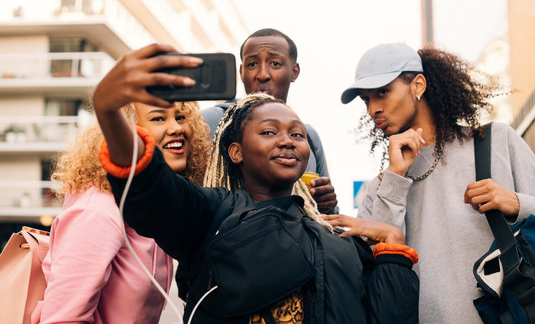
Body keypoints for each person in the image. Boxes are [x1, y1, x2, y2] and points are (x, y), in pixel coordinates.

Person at [92, 43, 420, 324]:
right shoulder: (212, 216)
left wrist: (392, 245)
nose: (287, 141)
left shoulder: (338, 240)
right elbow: (153, 190)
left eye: (297, 134)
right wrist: (107, 109)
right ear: (236, 151)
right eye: (268, 132)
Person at [340, 42, 535, 324]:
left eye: (383, 92)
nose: (373, 109)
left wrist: (517, 204)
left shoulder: (494, 142)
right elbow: (382, 280)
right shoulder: (379, 189)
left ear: (418, 85)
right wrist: (396, 179)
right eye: (366, 99)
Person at [31, 96, 211, 323]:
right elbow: (62, 319)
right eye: (158, 118)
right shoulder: (98, 212)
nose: (176, 128)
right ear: (124, 135)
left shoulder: (157, 210)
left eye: (181, 117)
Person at [203, 28, 337, 214]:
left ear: (294, 71)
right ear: (241, 72)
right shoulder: (212, 120)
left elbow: (331, 218)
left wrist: (326, 205)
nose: (262, 74)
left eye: (275, 63)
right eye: (252, 64)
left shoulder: (309, 137)